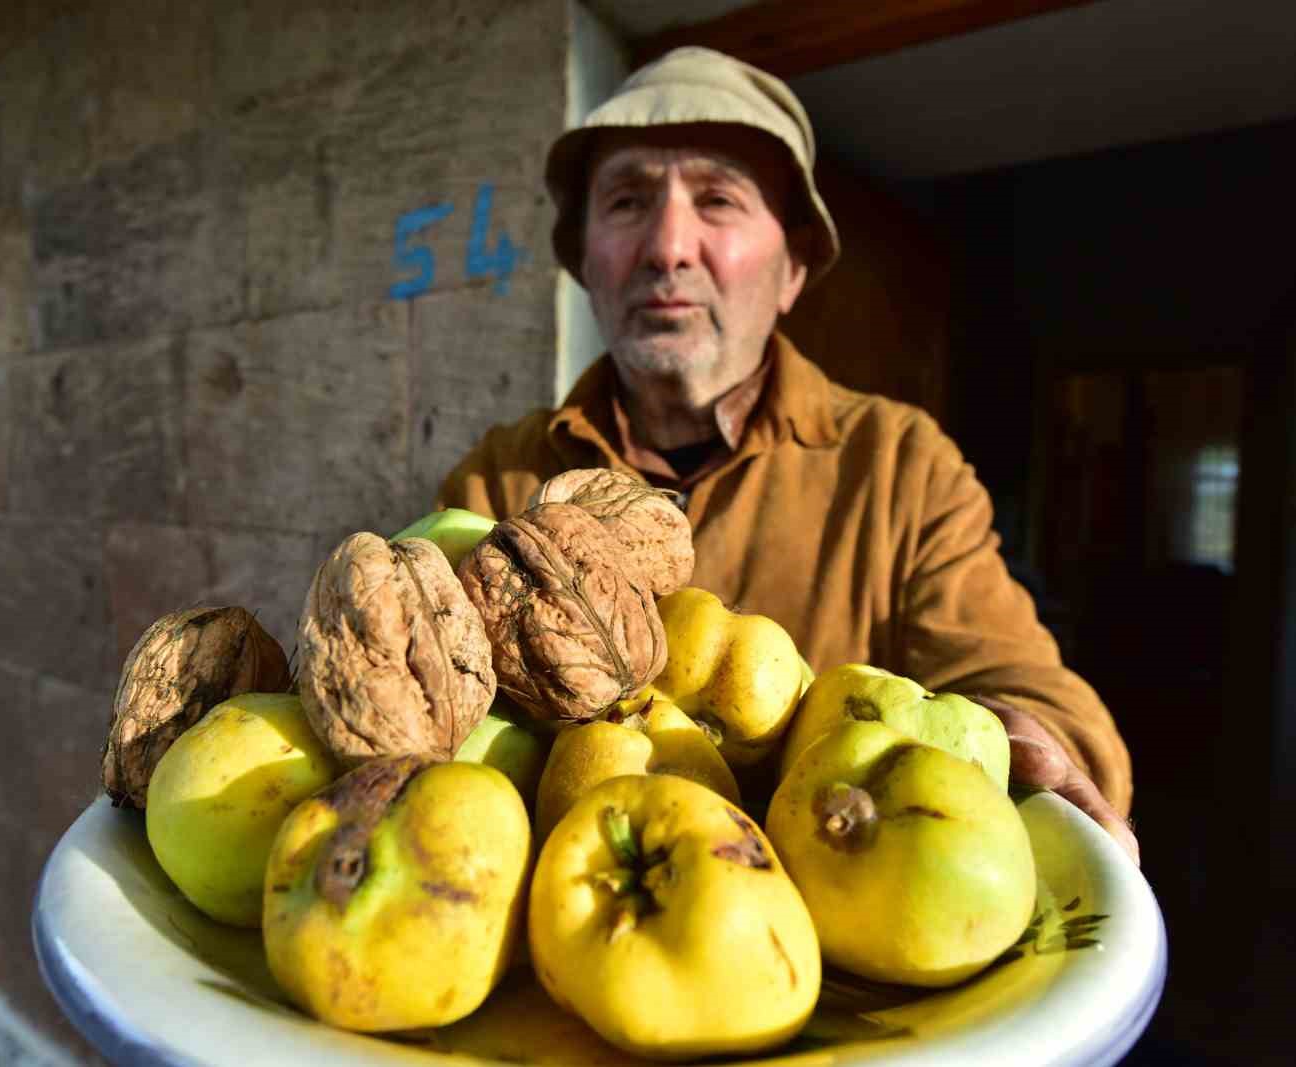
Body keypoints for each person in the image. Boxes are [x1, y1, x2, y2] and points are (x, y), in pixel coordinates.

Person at [437, 47, 1138, 863]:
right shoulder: (503, 477)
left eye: (718, 199)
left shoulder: (899, 467)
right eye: (627, 202)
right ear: (586, 261)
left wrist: (1042, 749)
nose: (668, 247)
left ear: (793, 268)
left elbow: (1023, 682)